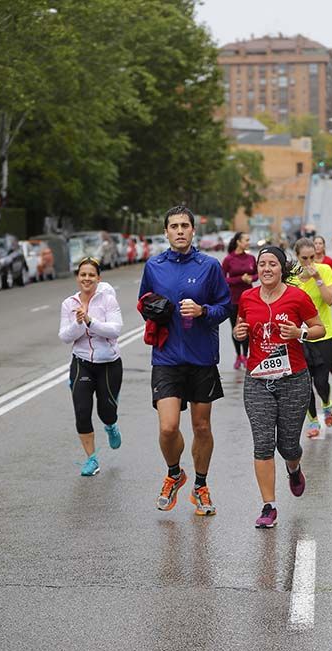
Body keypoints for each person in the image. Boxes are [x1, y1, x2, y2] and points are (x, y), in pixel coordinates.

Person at [138, 205, 231, 516]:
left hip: (202, 357)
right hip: (166, 356)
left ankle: (201, 486)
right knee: (168, 428)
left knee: (202, 426)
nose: (179, 231)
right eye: (174, 226)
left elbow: (226, 306)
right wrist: (155, 309)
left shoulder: (210, 266)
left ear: (193, 231)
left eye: (184, 226)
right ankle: (175, 473)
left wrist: (203, 311)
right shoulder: (154, 267)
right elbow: (143, 302)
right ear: (166, 232)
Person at [233, 246, 326, 528]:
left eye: (272, 264)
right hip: (258, 379)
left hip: (293, 380)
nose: (267, 269)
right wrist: (239, 332)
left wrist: (300, 333)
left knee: (288, 446)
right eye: (262, 264)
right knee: (263, 444)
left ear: (281, 268)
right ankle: (269, 506)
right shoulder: (248, 297)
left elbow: (319, 328)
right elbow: (242, 324)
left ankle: (294, 469)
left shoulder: (297, 296)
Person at [58, 257, 123, 477]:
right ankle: (91, 459)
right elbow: (65, 337)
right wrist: (78, 323)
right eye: (83, 275)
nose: (87, 279)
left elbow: (115, 330)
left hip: (108, 364)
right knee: (82, 411)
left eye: (91, 275)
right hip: (81, 363)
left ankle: (111, 425)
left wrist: (90, 321)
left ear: (98, 278)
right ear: (78, 277)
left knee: (106, 411)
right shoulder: (69, 304)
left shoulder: (108, 301)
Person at [292, 238, 332, 439]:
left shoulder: (324, 270)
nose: (309, 262)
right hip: (299, 337)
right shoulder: (291, 276)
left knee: (321, 382)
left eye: (312, 257)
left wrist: (318, 278)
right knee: (304, 384)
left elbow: (330, 300)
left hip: (324, 334)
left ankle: (327, 405)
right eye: (304, 258)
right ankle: (312, 421)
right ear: (297, 257)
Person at [222, 231, 258, 370]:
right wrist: (239, 279)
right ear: (238, 242)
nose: (248, 242)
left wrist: (251, 278)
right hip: (234, 299)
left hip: (249, 298)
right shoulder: (229, 259)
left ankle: (247, 355)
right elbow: (222, 279)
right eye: (246, 240)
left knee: (248, 328)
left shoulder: (251, 258)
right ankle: (239, 356)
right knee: (236, 328)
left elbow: (256, 274)